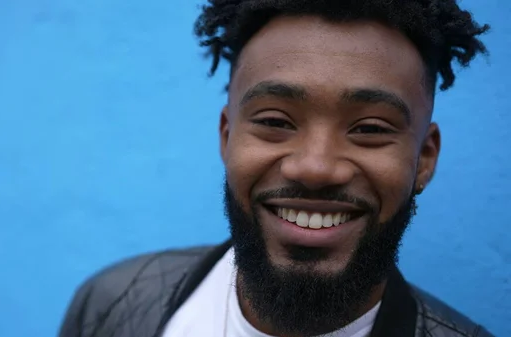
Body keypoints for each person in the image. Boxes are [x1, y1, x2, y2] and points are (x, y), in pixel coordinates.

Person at [58, 1, 493, 336]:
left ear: (425, 158)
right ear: (227, 137)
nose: (316, 168)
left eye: (369, 128)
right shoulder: (113, 304)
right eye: (274, 122)